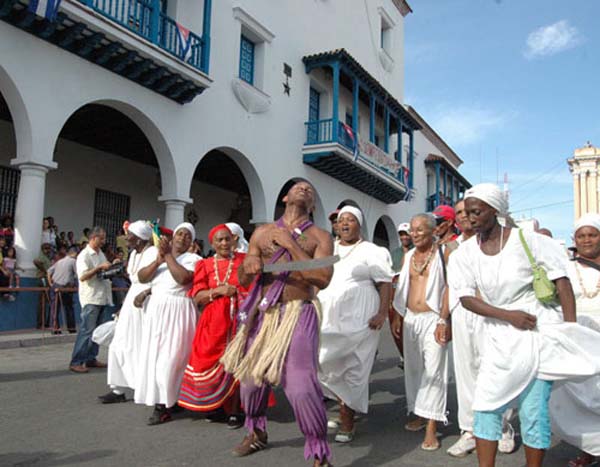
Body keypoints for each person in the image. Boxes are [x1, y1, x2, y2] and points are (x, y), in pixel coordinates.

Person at [447, 183, 600, 467]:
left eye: (476, 211)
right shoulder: (463, 254)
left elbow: (562, 284)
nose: (469, 218)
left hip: (538, 336)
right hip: (497, 338)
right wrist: (508, 316)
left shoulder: (529, 241)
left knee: (533, 412)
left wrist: (568, 332)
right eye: (466, 212)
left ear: (495, 211)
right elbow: (466, 298)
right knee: (485, 407)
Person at [221, 180, 334, 467]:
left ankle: (318, 452)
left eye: (310, 189)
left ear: (313, 205)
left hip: (299, 312)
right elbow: (243, 279)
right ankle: (256, 431)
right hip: (265, 313)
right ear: (285, 197)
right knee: (250, 382)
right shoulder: (261, 232)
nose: (306, 189)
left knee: (301, 387)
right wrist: (249, 267)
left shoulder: (320, 236)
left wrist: (290, 244)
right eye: (299, 186)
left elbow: (322, 277)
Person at [318, 206, 393, 443]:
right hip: (329, 317)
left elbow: (385, 282)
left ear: (360, 225)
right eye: (341, 221)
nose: (345, 224)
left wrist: (382, 313)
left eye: (351, 220)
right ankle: (343, 408)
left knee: (354, 367)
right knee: (328, 363)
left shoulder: (371, 250)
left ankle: (347, 420)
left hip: (361, 318)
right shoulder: (328, 247)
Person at [178, 224, 249, 428]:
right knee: (207, 361)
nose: (224, 243)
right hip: (213, 321)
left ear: (234, 240)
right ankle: (215, 405)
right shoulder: (205, 265)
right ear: (212, 243)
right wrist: (218, 291)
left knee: (236, 362)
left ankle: (235, 410)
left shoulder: (244, 261)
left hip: (239, 319)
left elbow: (254, 287)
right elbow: (198, 296)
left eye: (227, 239)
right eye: (220, 240)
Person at [391, 213, 449, 451]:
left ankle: (432, 426)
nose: (414, 234)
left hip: (433, 317)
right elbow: (402, 288)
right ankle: (419, 413)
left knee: (434, 371)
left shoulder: (445, 254)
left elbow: (449, 288)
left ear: (433, 231)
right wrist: (397, 316)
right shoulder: (408, 256)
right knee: (413, 369)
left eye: (419, 230)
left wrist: (444, 320)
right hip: (411, 319)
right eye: (411, 230)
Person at [134, 223, 200, 425]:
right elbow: (142, 277)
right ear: (173, 238)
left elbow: (183, 278)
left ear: (191, 242)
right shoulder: (161, 258)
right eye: (179, 233)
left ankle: (164, 405)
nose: (182, 238)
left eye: (188, 236)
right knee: (155, 357)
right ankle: (167, 400)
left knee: (173, 359)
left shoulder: (194, 259)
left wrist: (168, 256)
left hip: (179, 311)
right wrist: (158, 260)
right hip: (156, 313)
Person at [550, 213, 600, 467]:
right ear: (574, 240)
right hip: (579, 338)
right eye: (581, 236)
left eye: (592, 234)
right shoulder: (566, 268)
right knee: (582, 397)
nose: (587, 240)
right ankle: (590, 449)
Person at [98, 221, 157, 404]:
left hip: (146, 303)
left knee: (141, 346)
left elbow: (158, 281)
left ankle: (144, 387)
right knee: (118, 345)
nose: (126, 238)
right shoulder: (133, 254)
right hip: (132, 302)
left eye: (129, 234)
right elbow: (133, 282)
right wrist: (123, 308)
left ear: (139, 238)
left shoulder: (154, 253)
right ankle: (117, 389)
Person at [69, 227, 114, 373]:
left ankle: (90, 358)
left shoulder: (100, 254)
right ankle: (76, 361)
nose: (103, 241)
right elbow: (82, 276)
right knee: (86, 331)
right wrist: (99, 267)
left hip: (102, 296)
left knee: (97, 331)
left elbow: (104, 271)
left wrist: (111, 266)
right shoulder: (84, 255)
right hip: (91, 297)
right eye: (101, 238)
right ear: (93, 238)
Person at [47, 246, 78, 334]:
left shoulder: (59, 261)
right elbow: (77, 275)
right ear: (75, 254)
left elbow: (49, 271)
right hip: (66, 287)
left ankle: (55, 328)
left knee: (55, 308)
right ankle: (71, 328)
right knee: (69, 308)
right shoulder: (73, 261)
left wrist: (50, 284)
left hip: (55, 285)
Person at [34, 243, 53, 328]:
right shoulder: (41, 257)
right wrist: (45, 271)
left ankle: (45, 322)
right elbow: (36, 261)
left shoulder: (47, 258)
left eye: (49, 248)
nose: (48, 250)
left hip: (46, 279)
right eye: (46, 248)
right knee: (42, 302)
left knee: (46, 302)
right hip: (42, 279)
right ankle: (40, 323)